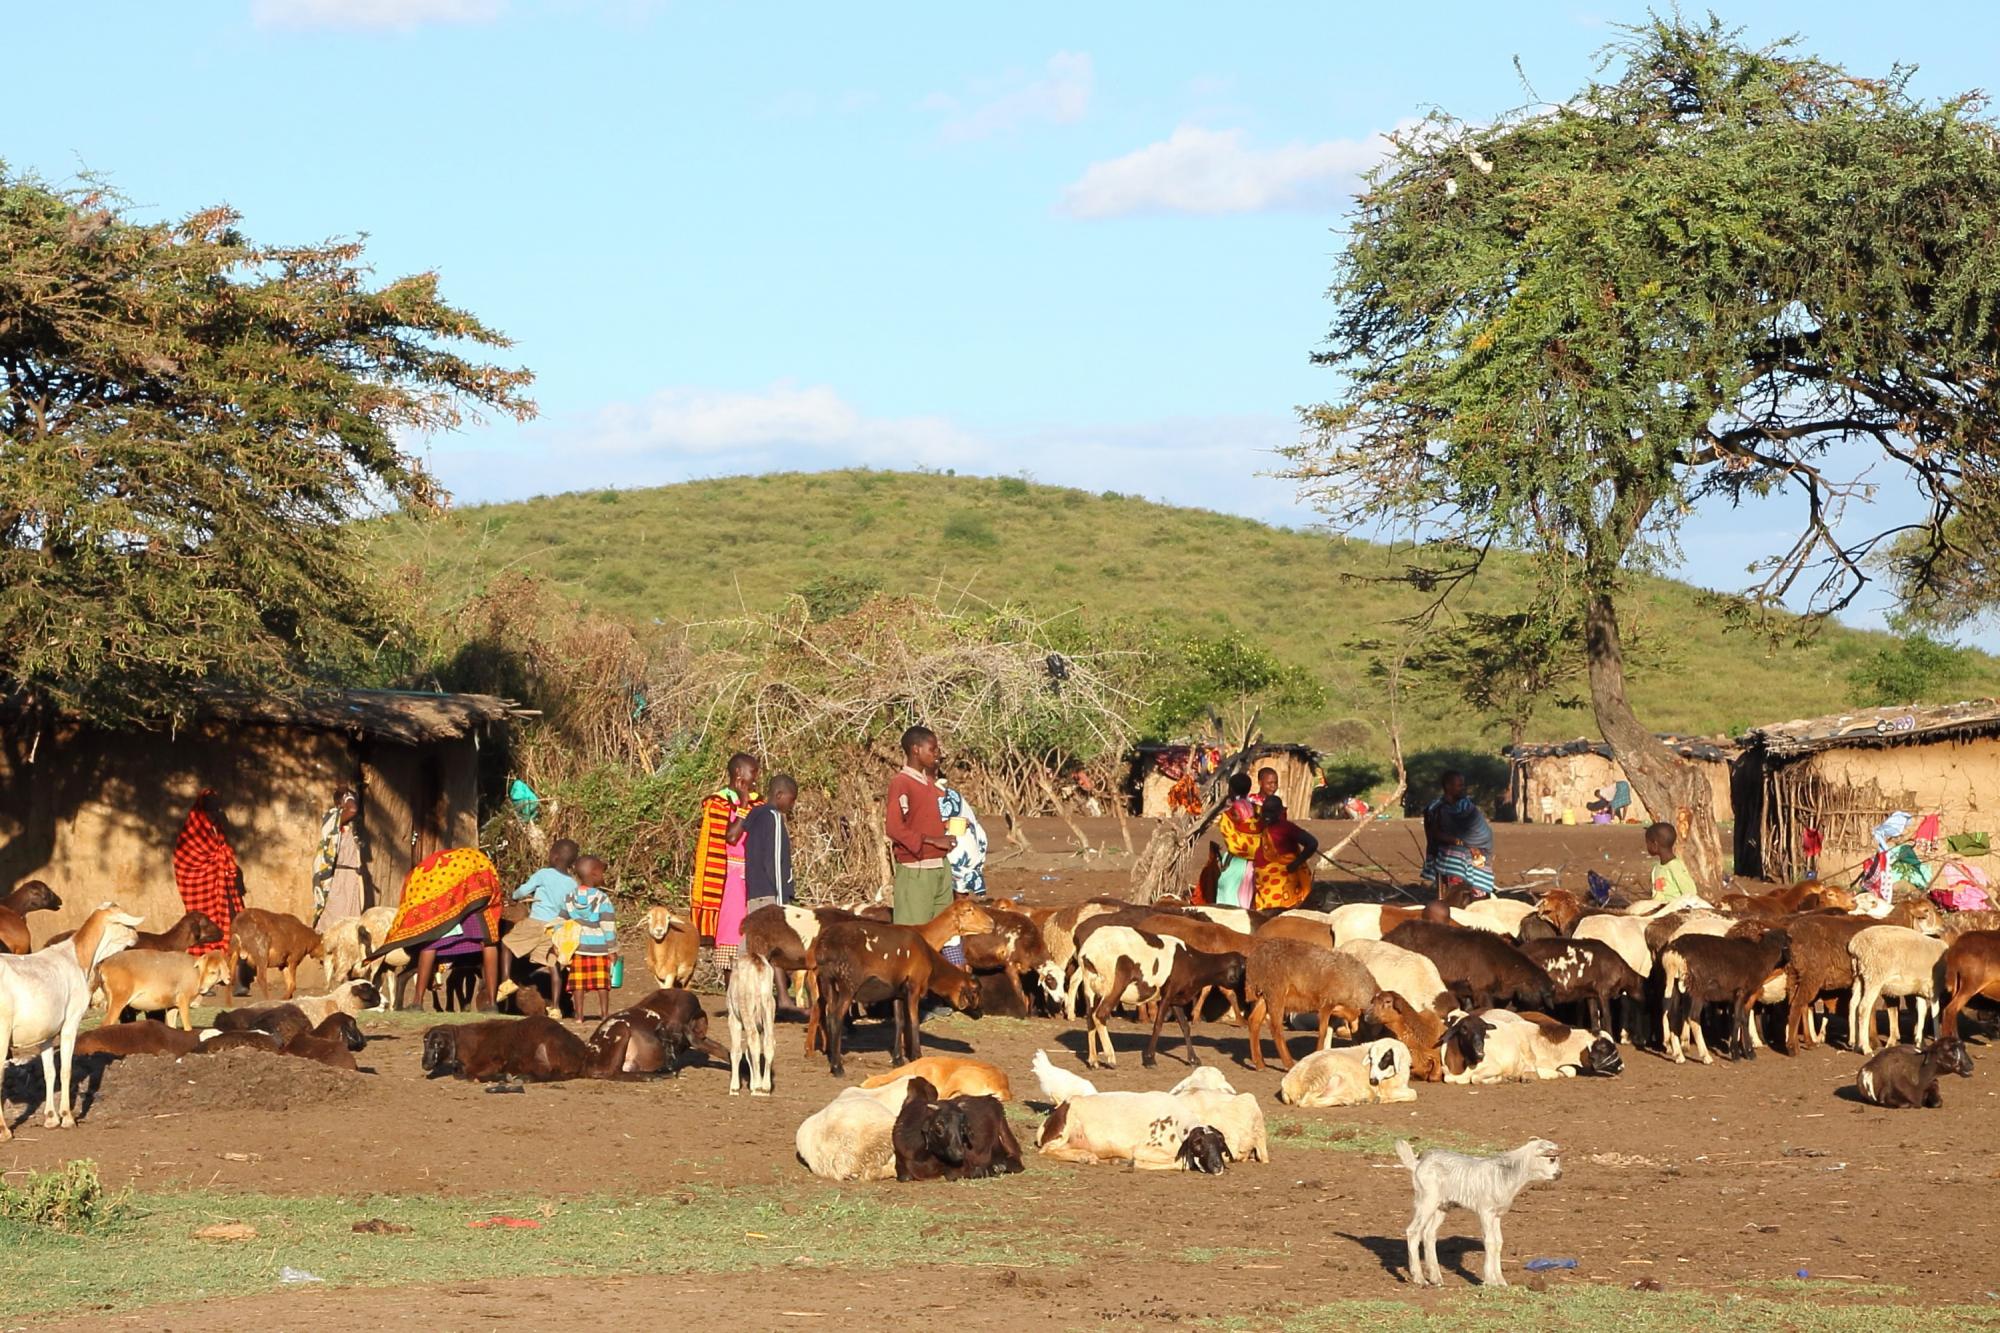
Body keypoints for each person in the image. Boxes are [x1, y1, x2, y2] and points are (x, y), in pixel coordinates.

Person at [371, 844, 505, 1012]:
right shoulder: (478, 861)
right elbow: (493, 888)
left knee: (431, 943)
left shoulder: (430, 872)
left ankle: (417, 1002)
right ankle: (492, 1003)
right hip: (478, 906)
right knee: (489, 942)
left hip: (450, 910)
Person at [691, 753, 760, 966]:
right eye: (753, 772)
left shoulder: (758, 803)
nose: (756, 778)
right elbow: (730, 838)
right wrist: (743, 804)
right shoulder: (718, 803)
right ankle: (731, 991)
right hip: (728, 878)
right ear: (738, 773)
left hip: (753, 877)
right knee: (732, 931)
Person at [886, 726, 955, 926]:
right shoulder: (901, 783)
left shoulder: (928, 783)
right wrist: (933, 840)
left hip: (940, 866)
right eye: (932, 749)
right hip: (917, 869)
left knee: (944, 932)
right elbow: (894, 828)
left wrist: (946, 829)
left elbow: (921, 820)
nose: (936, 754)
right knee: (913, 935)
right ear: (916, 750)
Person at [173, 789, 242, 962]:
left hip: (222, 887)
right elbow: (184, 863)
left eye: (216, 810)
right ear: (201, 812)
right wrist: (216, 863)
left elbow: (221, 852)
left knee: (233, 924)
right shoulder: (190, 834)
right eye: (210, 811)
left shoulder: (216, 830)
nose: (213, 815)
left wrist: (224, 862)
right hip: (201, 892)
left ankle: (234, 970)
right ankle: (204, 970)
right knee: (204, 929)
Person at [501, 838, 579, 990]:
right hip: (555, 928)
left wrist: (513, 897)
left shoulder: (544, 874)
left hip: (536, 922)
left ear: (555, 856)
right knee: (553, 963)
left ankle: (505, 983)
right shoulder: (573, 883)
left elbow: (524, 890)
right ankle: (556, 1007)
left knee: (506, 944)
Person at [560, 855, 618, 1022]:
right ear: (594, 874)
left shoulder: (569, 897)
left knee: (578, 984)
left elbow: (560, 920)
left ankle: (579, 1016)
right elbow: (607, 925)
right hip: (599, 949)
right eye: (601, 872)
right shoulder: (602, 899)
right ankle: (605, 1014)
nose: (603, 876)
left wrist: (560, 941)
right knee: (602, 983)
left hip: (578, 947)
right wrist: (612, 949)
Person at [1422, 770, 1496, 898]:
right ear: (1448, 786)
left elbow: (1478, 828)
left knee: (1472, 856)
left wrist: (1469, 844)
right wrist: (1460, 842)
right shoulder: (1437, 808)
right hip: (1450, 846)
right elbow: (1434, 833)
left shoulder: (1466, 805)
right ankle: (1453, 893)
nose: (1462, 788)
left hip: (1479, 845)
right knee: (1456, 855)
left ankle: (1474, 892)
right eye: (1459, 785)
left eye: (1463, 785)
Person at [311, 788, 368, 928]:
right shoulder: (333, 818)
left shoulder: (350, 826)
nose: (353, 802)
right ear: (340, 803)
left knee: (351, 923)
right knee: (334, 921)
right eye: (348, 799)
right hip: (338, 879)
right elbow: (353, 809)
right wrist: (348, 797)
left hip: (350, 879)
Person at [1253, 795, 1319, 910]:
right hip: (1264, 881)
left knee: (1278, 914)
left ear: (1279, 812)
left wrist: (1296, 863)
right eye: (1265, 811)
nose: (1267, 815)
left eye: (1272, 811)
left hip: (1283, 880)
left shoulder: (1287, 828)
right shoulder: (1260, 825)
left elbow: (1312, 843)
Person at [743, 775, 797, 912]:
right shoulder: (774, 818)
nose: (792, 805)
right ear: (779, 795)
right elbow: (774, 863)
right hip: (772, 898)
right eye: (791, 799)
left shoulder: (755, 816)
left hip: (753, 896)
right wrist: (781, 900)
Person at [1213, 773, 1261, 909]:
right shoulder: (1258, 810)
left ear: (1231, 790)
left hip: (1236, 860)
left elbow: (1231, 841)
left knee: (1228, 896)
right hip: (1257, 860)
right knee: (1248, 897)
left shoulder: (1229, 814)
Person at [938, 781, 989, 899]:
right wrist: (942, 825)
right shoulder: (920, 795)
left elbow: (970, 821)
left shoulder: (952, 797)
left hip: (959, 851)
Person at [1645, 822, 1702, 903]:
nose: (1647, 846)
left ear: (1655, 844)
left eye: (1648, 843)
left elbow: (1690, 893)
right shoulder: (1656, 868)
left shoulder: (1675, 867)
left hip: (1676, 910)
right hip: (1660, 910)